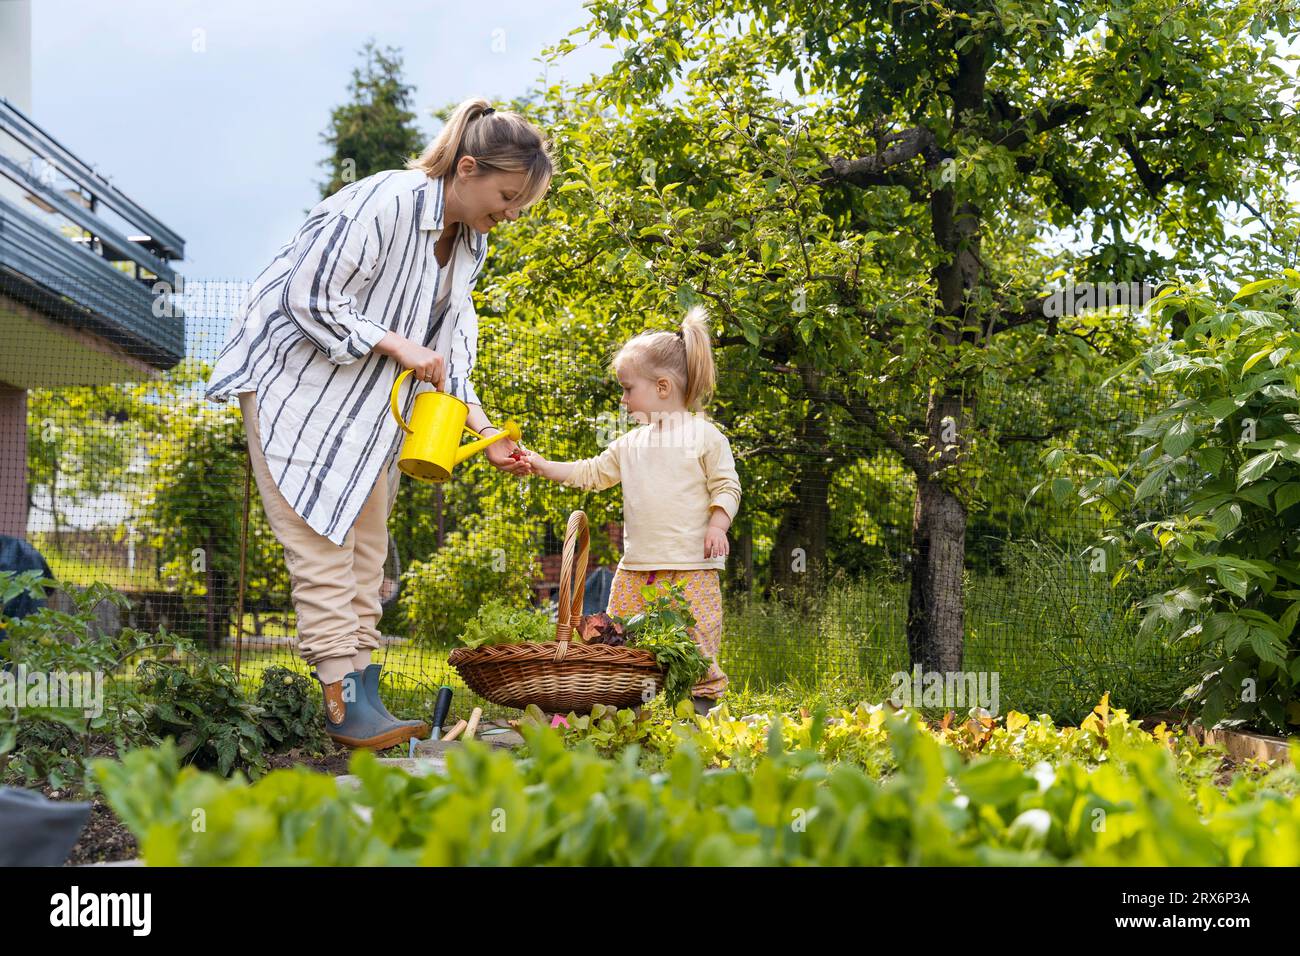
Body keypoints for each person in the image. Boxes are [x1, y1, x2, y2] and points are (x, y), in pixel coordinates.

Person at [205, 98, 552, 749]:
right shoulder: (384, 202)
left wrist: (484, 428)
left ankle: (364, 692)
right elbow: (303, 293)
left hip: (366, 402)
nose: (508, 215)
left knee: (367, 538)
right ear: (467, 167)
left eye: (519, 206)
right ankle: (339, 703)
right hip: (297, 385)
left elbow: (449, 350)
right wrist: (395, 343)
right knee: (319, 543)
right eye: (505, 196)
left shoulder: (468, 245)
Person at [523, 307, 741, 716]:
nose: (623, 399)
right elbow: (590, 473)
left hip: (690, 567)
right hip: (636, 568)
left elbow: (727, 485)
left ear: (662, 387)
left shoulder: (705, 436)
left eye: (628, 389)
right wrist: (540, 463)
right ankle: (626, 711)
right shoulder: (630, 444)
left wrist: (718, 523)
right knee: (619, 642)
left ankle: (701, 712)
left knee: (697, 644)